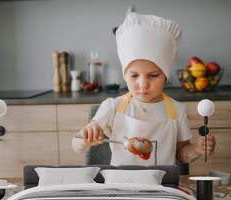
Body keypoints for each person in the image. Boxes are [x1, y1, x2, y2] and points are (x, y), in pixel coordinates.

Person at [72, 12, 215, 166]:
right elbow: (76, 146)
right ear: (125, 75)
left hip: (162, 186)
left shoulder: (176, 110)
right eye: (134, 76)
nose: (143, 84)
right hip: (122, 186)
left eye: (153, 75)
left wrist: (197, 150)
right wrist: (87, 135)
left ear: (165, 76)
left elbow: (182, 154)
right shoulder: (113, 107)